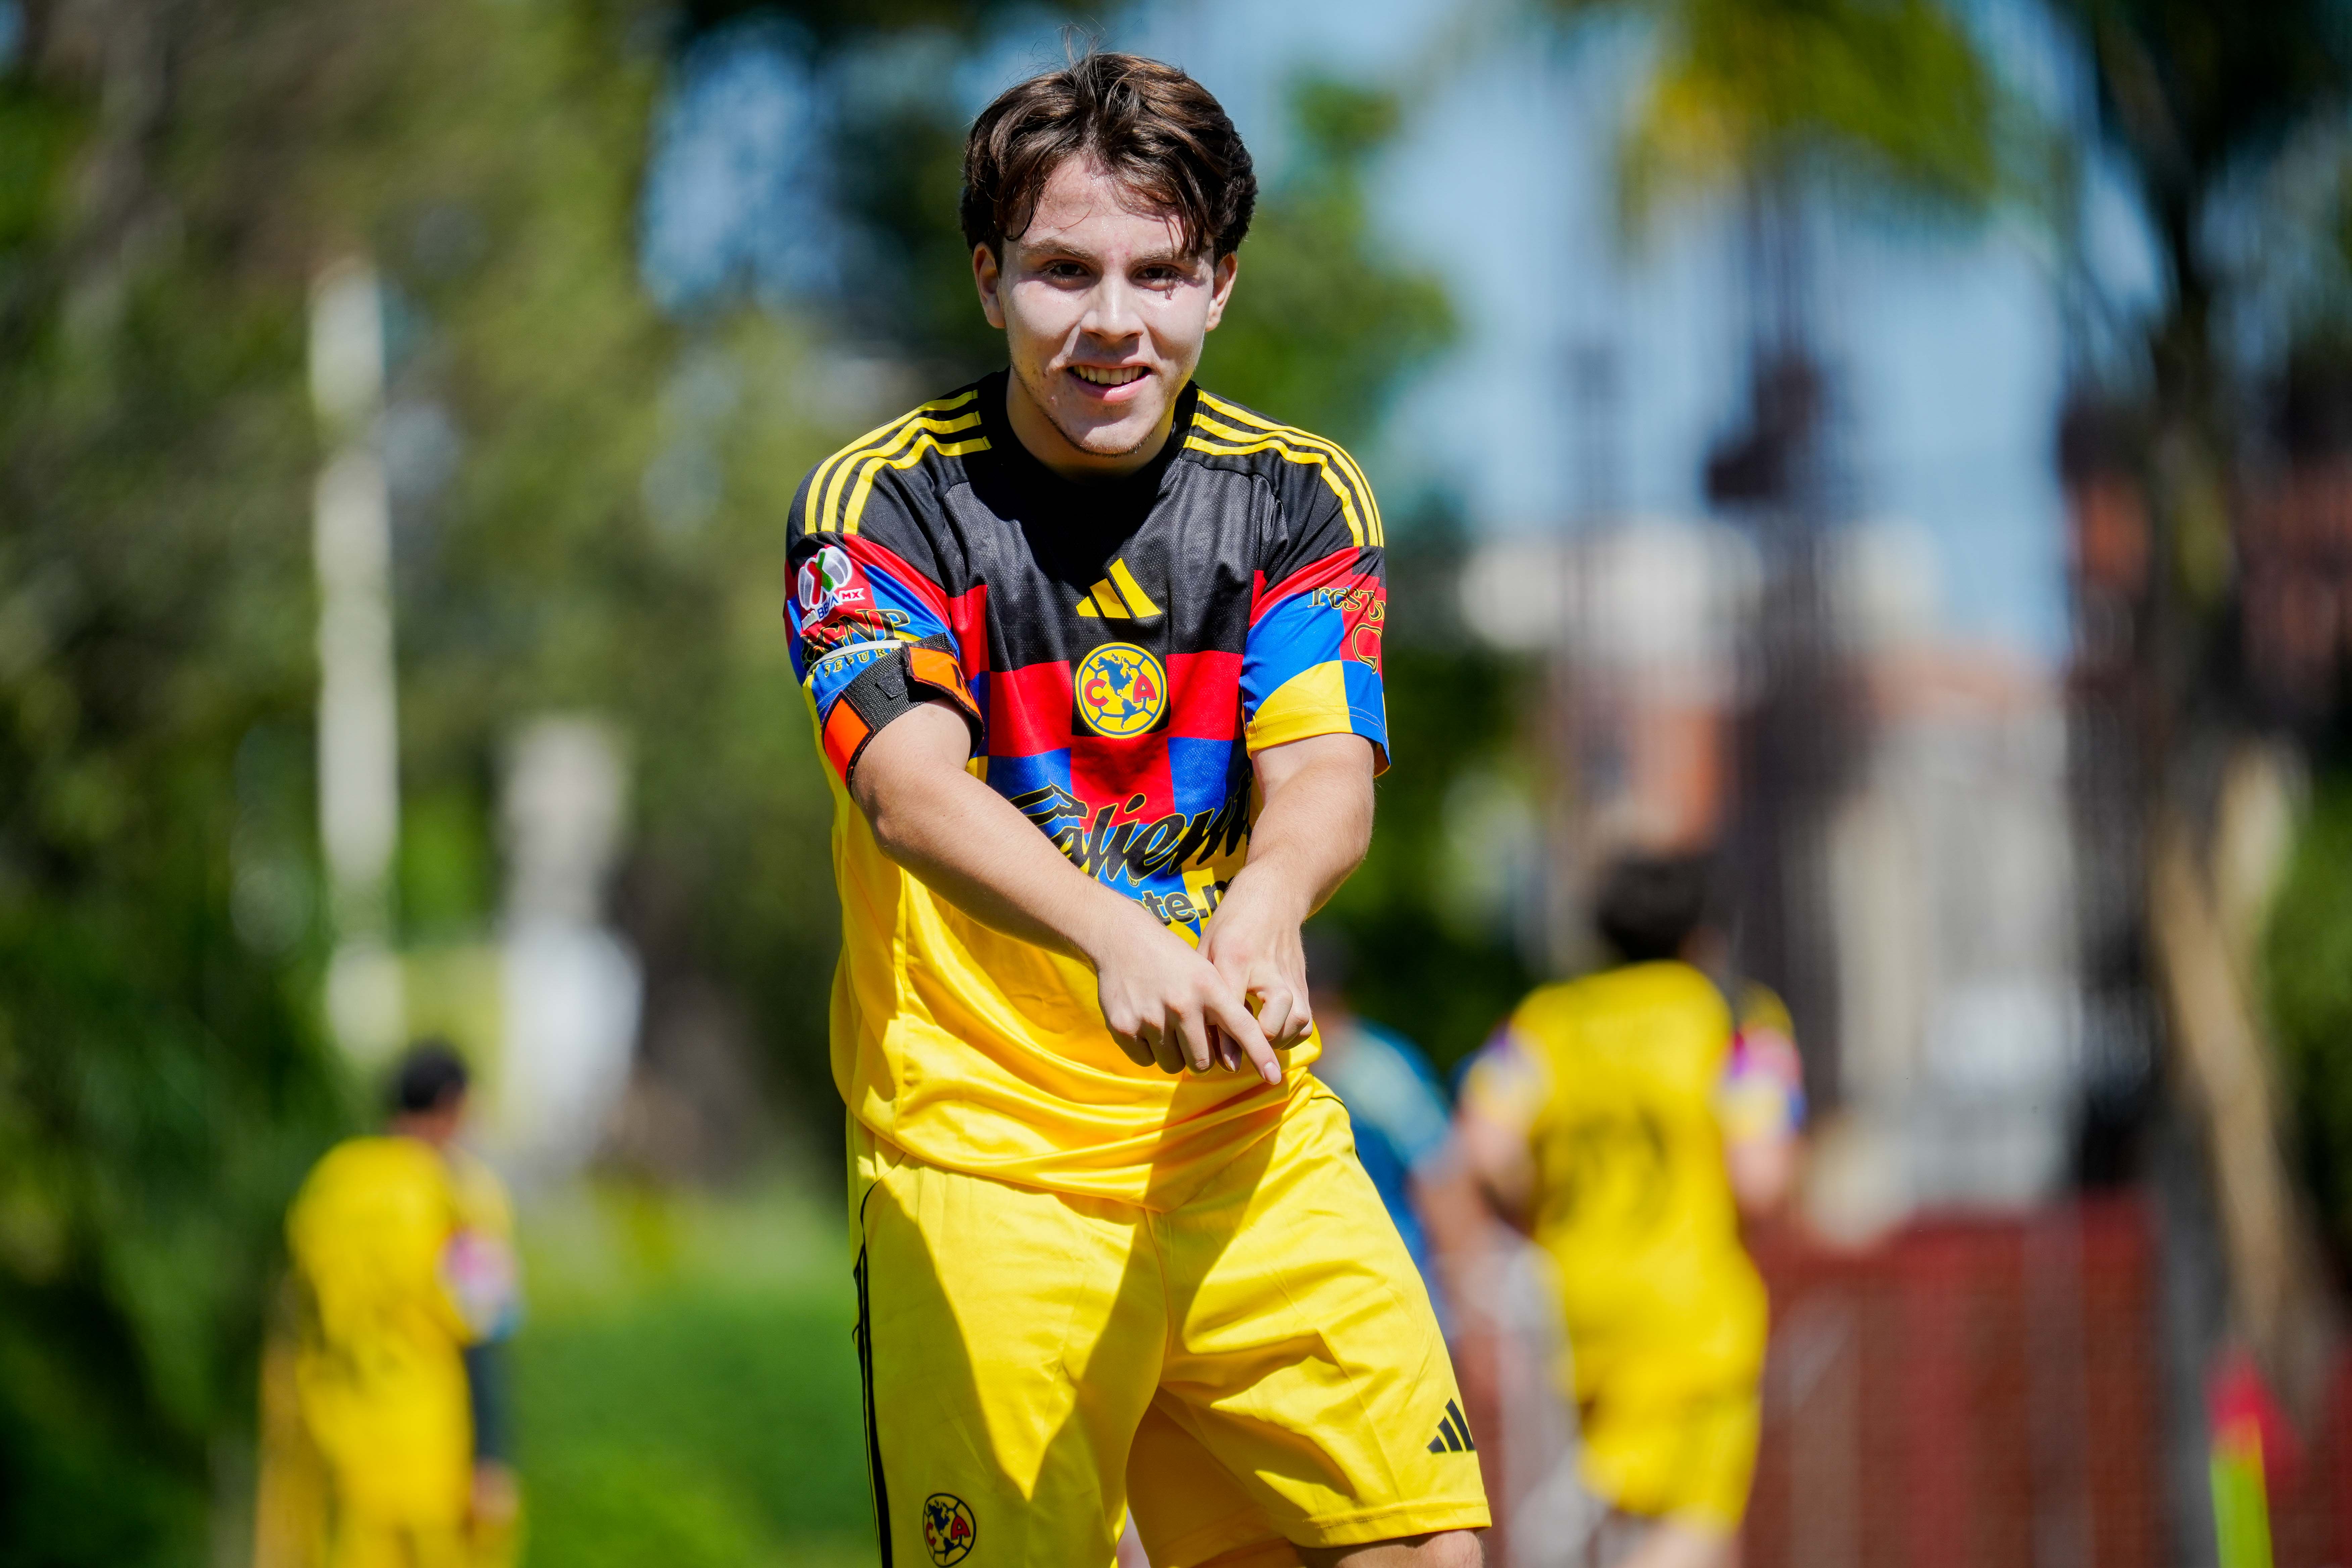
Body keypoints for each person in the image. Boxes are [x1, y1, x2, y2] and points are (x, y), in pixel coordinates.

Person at [785, 52, 1487, 1568]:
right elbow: (908, 787)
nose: (1112, 321)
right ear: (987, 280)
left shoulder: (1298, 499)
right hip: (987, 1168)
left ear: (1218, 285)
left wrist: (1262, 902)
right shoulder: (880, 503)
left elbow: (1322, 771)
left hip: (1245, 1143)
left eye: (1157, 273)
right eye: (1061, 271)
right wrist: (1115, 932)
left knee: (1424, 1546)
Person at [1455, 855, 1802, 1568]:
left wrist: (1538, 1202)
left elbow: (1483, 1145)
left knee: (1621, 1520)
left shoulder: (1547, 1020)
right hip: (1692, 1309)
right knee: (1694, 1522)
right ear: (1702, 936)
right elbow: (1760, 1174)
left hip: (1575, 1304)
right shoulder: (1737, 1016)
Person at [256, 1042, 522, 1568]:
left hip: (340, 1451)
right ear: (451, 1106)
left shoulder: (332, 1184)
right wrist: (492, 1459)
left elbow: (295, 1320)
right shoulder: (460, 1193)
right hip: (431, 1463)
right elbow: (487, 1332)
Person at [1304, 929, 1459, 1313]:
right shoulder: (1384, 1063)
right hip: (1371, 1285)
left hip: (1390, 1286)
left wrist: (1467, 1305)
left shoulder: (1376, 1071)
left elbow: (1441, 1182)